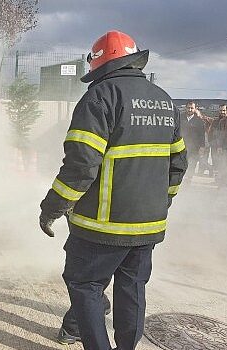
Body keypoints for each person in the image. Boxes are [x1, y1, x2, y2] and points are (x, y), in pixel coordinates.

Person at [39, 30, 187, 350]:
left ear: (100, 63)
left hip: (102, 226)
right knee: (132, 289)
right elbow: (179, 164)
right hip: (149, 224)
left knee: (85, 284)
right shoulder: (164, 99)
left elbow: (81, 167)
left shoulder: (100, 96)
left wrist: (52, 207)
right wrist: (161, 202)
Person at [181, 101, 207, 180]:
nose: (189, 110)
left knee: (192, 164)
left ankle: (188, 180)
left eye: (192, 108)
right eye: (188, 108)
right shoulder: (180, 118)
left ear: (195, 109)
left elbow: (202, 135)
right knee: (181, 164)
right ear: (186, 108)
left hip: (194, 147)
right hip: (181, 146)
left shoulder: (199, 121)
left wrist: (202, 147)